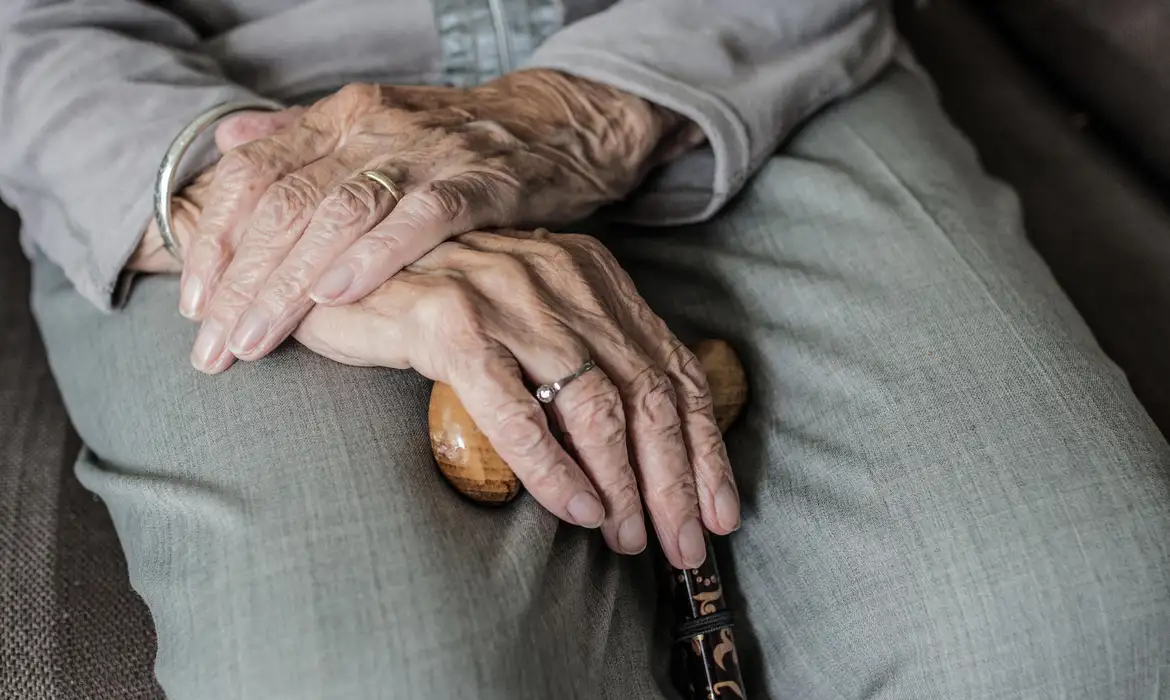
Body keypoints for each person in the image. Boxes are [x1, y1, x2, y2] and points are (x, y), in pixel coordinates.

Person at [3, 0, 1169, 698]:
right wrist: (251, 202)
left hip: (738, 53)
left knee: (1081, 619)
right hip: (215, 113)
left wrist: (577, 109)